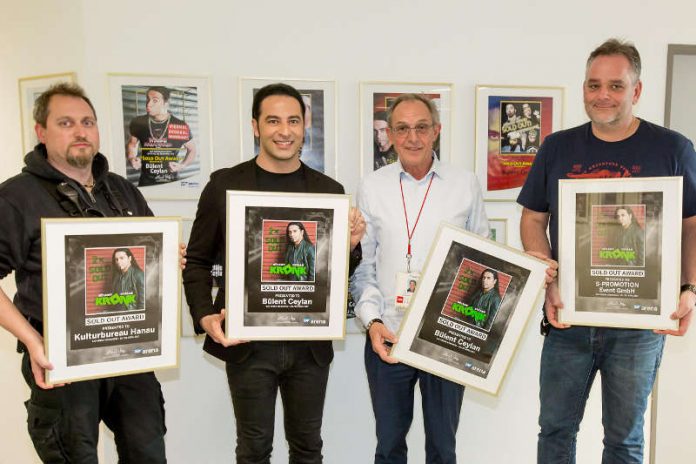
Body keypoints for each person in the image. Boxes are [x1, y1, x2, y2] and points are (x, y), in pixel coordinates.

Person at [518, 38, 696, 463]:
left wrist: (689, 287)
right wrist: (548, 276)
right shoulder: (557, 148)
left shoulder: (673, 149)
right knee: (555, 432)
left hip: (639, 327)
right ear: (583, 88)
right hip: (569, 320)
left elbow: (691, 225)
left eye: (615, 86)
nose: (602, 95)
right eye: (593, 85)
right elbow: (532, 220)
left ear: (636, 91)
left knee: (625, 440)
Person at [183, 82, 365, 463]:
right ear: (255, 126)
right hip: (247, 346)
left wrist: (349, 246)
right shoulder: (224, 186)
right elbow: (197, 261)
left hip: (309, 349)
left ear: (305, 126)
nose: (284, 130)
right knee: (253, 449)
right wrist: (203, 315)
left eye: (293, 121)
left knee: (308, 447)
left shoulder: (328, 191)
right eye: (273, 121)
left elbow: (336, 272)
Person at [0, 83, 168, 462]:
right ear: (41, 132)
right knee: (74, 455)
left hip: (129, 350)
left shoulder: (123, 191)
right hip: (61, 358)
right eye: (66, 122)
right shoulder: (16, 197)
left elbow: (148, 262)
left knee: (149, 453)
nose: (80, 131)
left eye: (87, 122)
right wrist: (33, 341)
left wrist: (166, 257)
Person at [351, 93, 490, 464]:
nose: (413, 137)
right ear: (391, 135)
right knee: (389, 447)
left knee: (443, 450)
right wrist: (372, 322)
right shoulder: (372, 186)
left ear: (436, 132)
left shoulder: (465, 184)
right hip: (389, 337)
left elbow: (484, 260)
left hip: (447, 338)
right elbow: (362, 265)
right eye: (403, 128)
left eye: (422, 127)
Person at [126, 86, 197, 186]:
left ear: (166, 103)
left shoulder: (180, 125)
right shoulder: (138, 122)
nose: (148, 104)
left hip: (171, 181)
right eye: (148, 99)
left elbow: (192, 150)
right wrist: (132, 158)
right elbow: (132, 145)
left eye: (155, 100)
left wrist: (182, 165)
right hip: (146, 181)